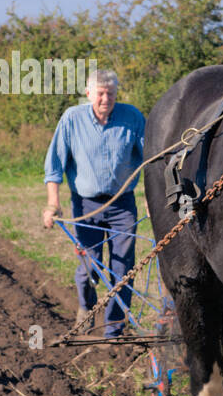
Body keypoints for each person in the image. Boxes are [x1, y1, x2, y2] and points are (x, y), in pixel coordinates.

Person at [41, 69, 147, 338]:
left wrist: (150, 197)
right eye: (100, 93)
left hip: (122, 205)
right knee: (90, 267)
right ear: (88, 94)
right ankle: (86, 309)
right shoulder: (72, 119)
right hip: (85, 206)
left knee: (123, 268)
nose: (105, 99)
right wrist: (53, 203)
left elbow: (150, 159)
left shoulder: (132, 117)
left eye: (110, 93)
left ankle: (114, 329)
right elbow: (54, 165)